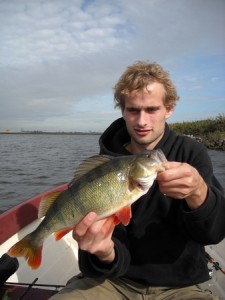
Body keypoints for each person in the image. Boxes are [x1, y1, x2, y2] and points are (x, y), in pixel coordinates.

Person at [50, 61, 225, 299]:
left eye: (152, 109)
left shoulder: (191, 153)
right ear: (122, 110)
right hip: (112, 282)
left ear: (169, 108)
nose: (142, 121)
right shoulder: (104, 165)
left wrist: (198, 193)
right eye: (133, 110)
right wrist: (104, 252)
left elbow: (213, 234)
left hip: (181, 286)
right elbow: (96, 260)